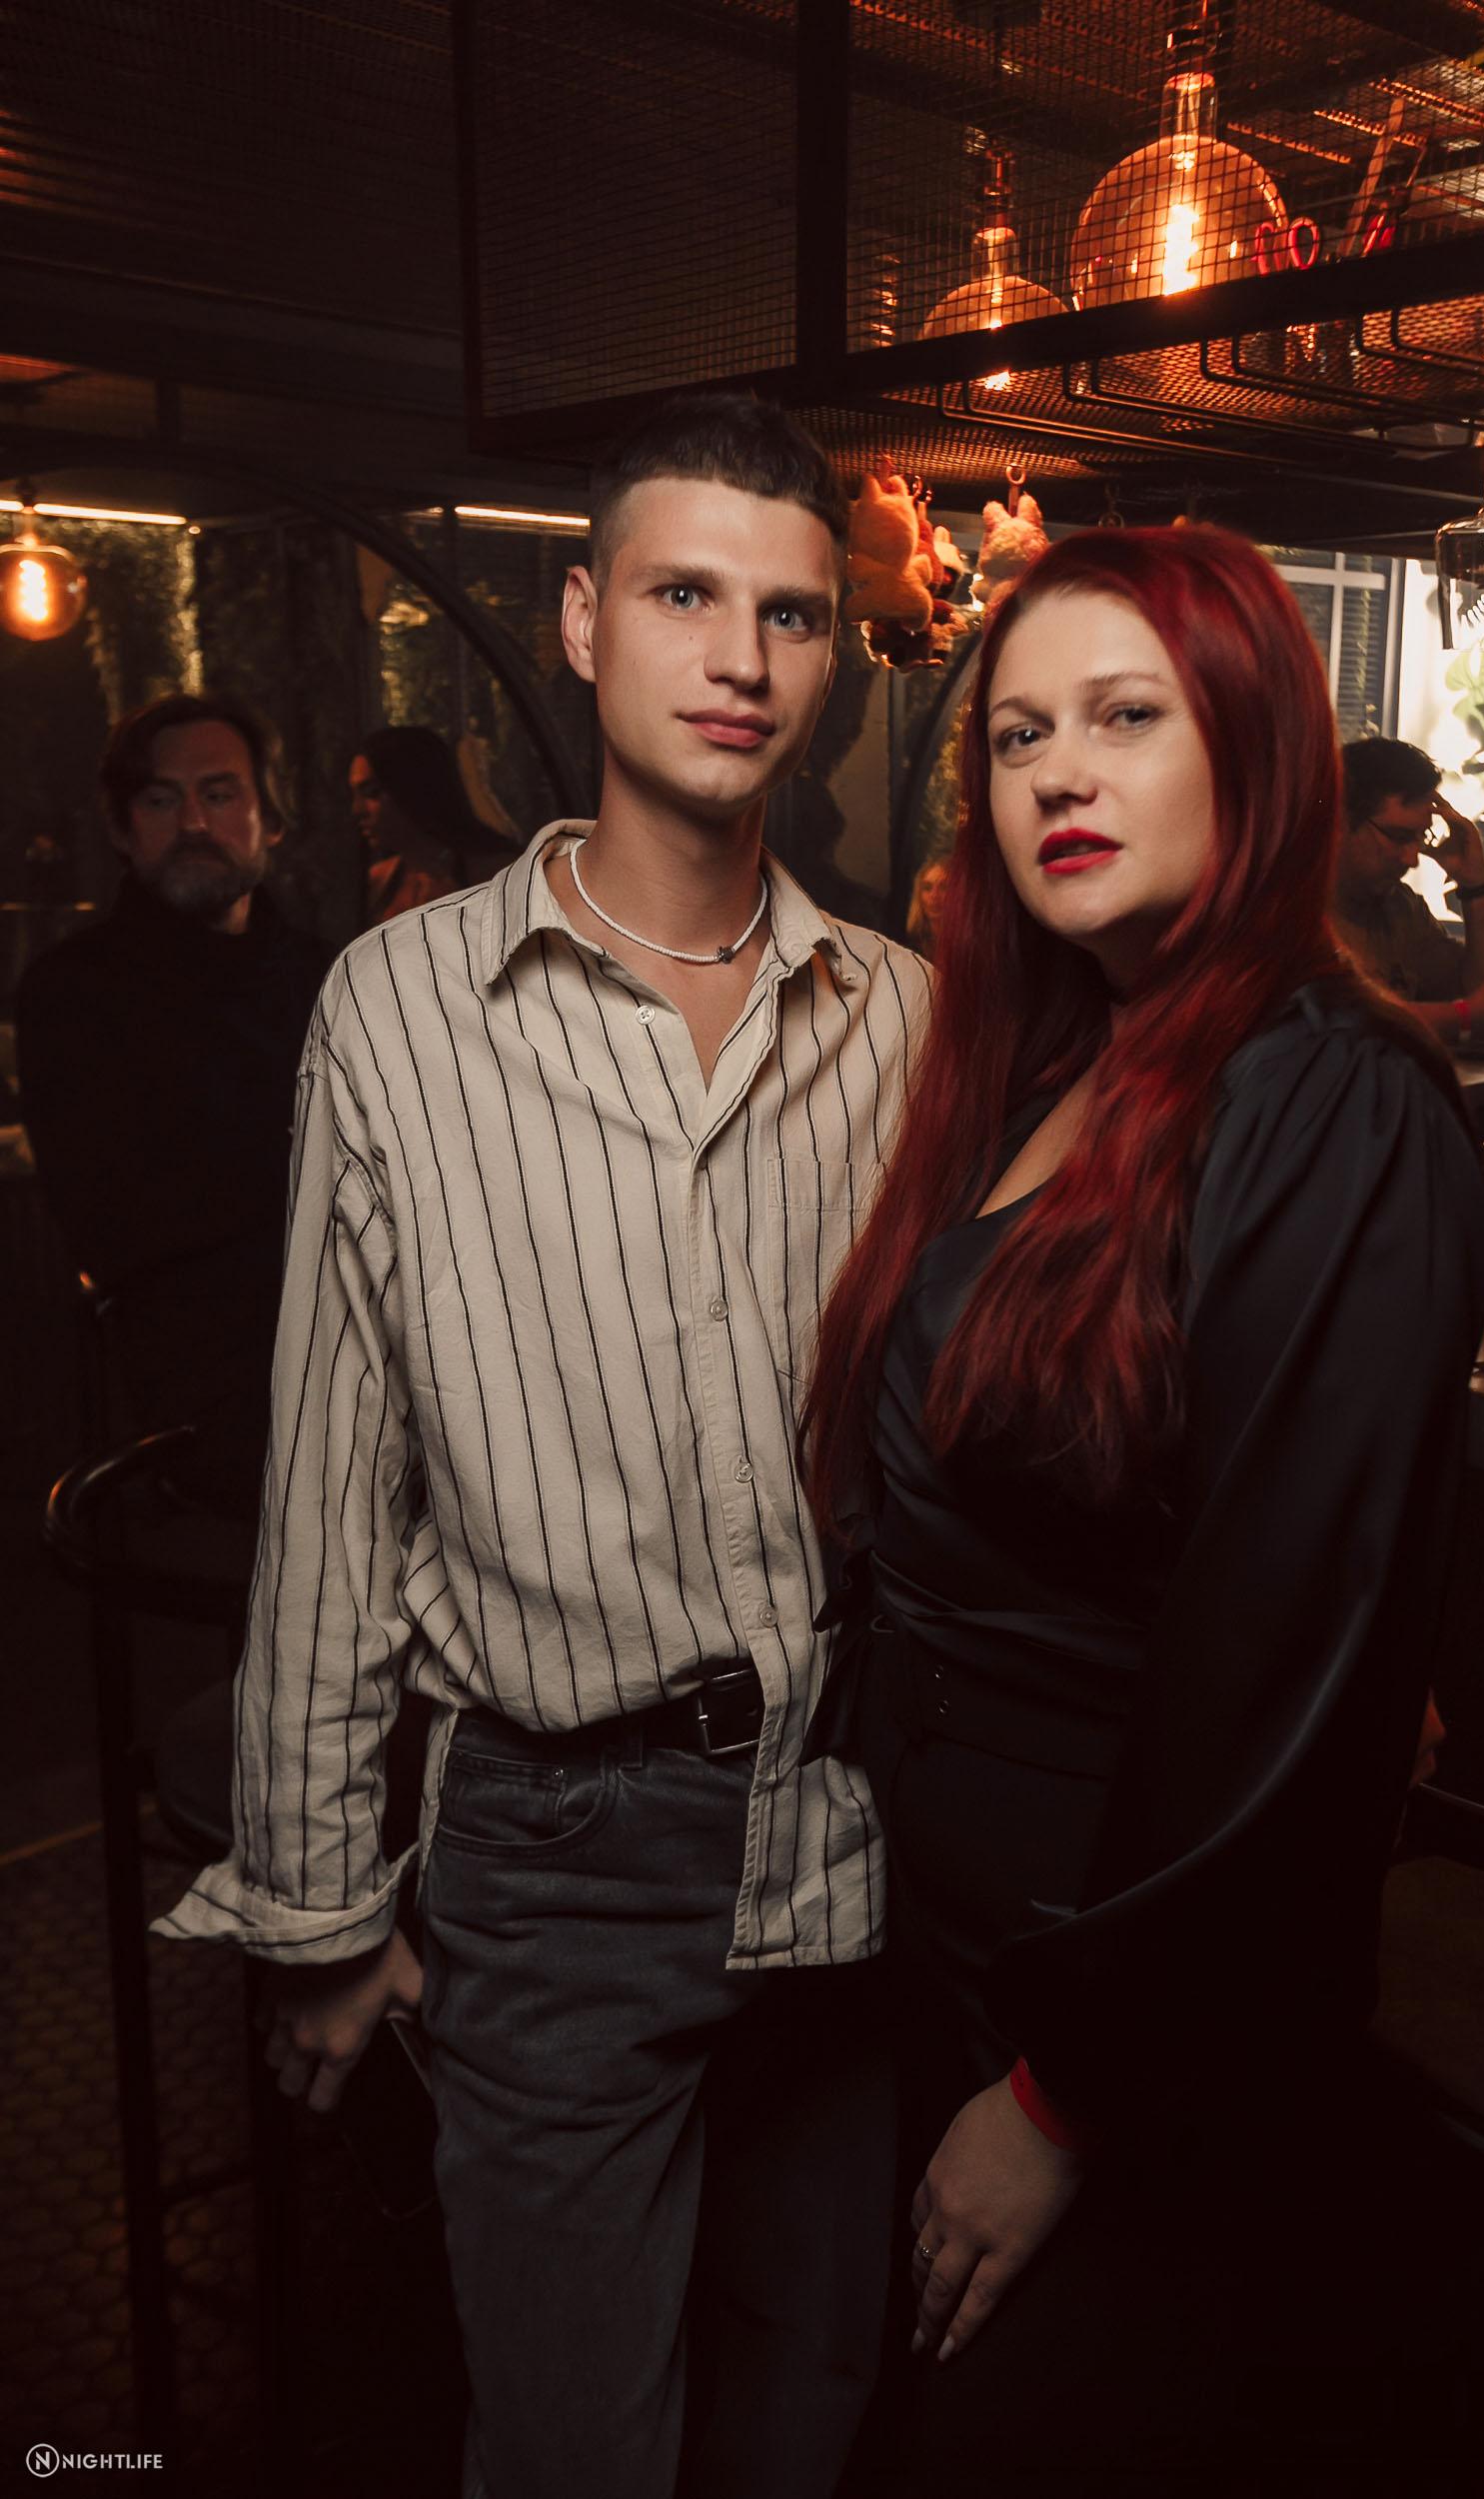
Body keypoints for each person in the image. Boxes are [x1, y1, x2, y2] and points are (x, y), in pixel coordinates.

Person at [159, 394, 932, 2499]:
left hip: (843, 1820)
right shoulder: (400, 1007)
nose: (738, 659)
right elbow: (336, 1484)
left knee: (810, 2418)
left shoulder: (901, 1012)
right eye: (683, 595)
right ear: (583, 620)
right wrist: (319, 1906)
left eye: (788, 614)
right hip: (553, 1844)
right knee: (574, 2449)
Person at [799, 529, 1484, 2494]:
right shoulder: (1048, 1064)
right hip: (938, 1930)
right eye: (1017, 735)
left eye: (1122, 716)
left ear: (1251, 748)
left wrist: (1063, 2089)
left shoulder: (1332, 1097)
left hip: (1117, 1991)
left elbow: (1286, 1670)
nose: (1057, 773)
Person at [17, 693, 327, 1510]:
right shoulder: (73, 992)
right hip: (217, 1384)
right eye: (161, 800)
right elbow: (119, 1223)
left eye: (218, 794)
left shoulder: (333, 975)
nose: (193, 822)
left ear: (270, 818)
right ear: (122, 830)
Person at [1331, 736, 1484, 1046]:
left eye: (1420, 837)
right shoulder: (1289, 910)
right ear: (1339, 822)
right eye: (1399, 836)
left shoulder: (1400, 907)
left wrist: (1476, 884)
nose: (1412, 859)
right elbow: (1338, 1024)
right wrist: (1465, 1016)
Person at [349, 723, 510, 922]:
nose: (357, 809)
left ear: (414, 788)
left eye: (371, 792)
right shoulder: (378, 881)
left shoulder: (495, 875)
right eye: (355, 795)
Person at [905, 854, 950, 958]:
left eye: (943, 887)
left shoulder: (967, 942)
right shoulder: (909, 943)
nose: (934, 895)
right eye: (927, 888)